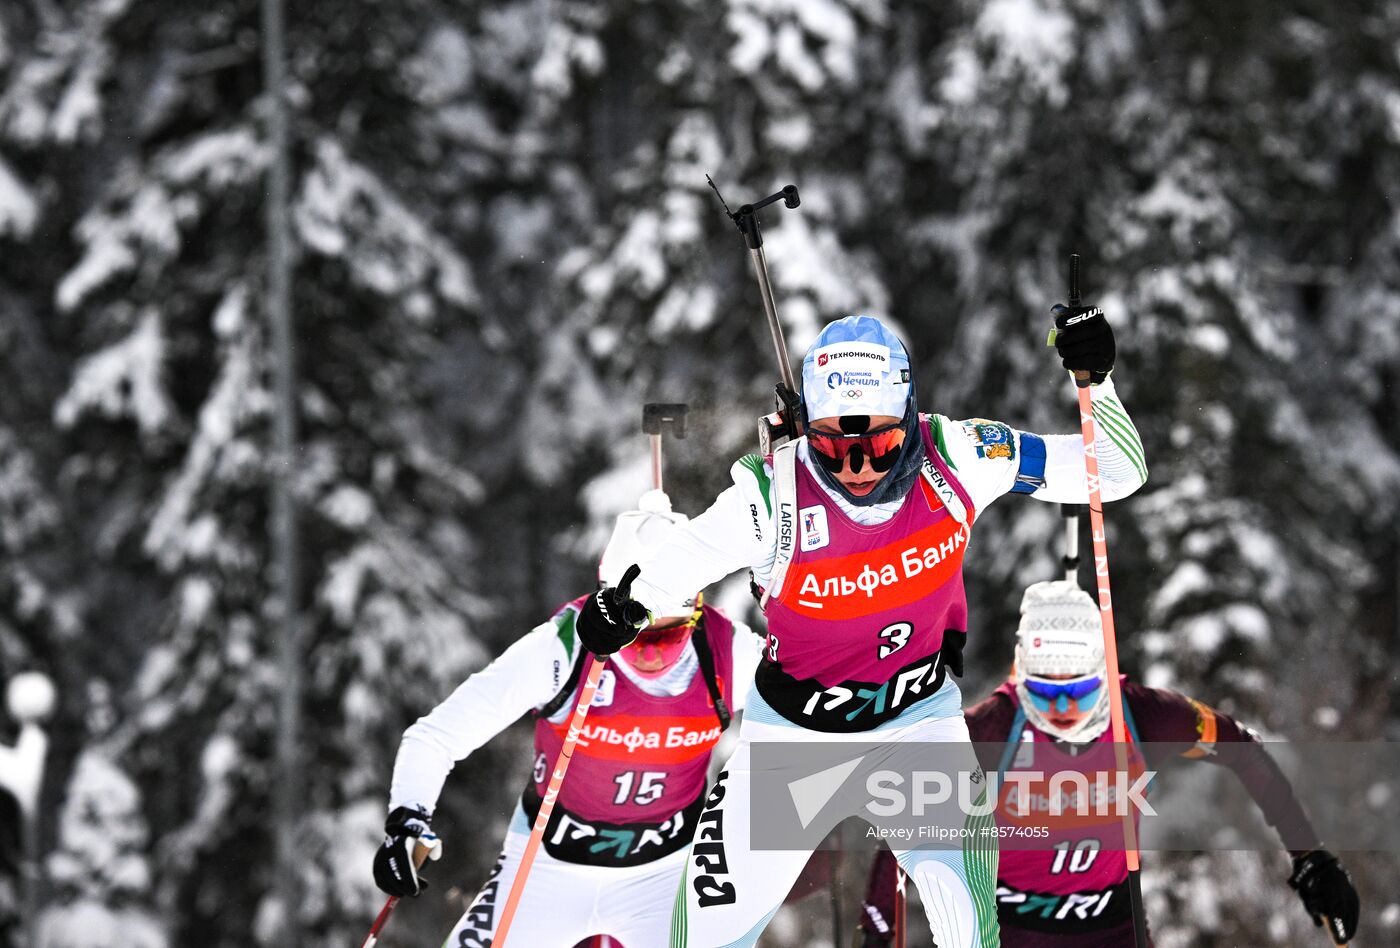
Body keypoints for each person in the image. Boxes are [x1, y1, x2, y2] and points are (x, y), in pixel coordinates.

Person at [577, 305, 1147, 947]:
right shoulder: (773, 494)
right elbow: (688, 557)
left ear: (907, 417)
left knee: (969, 926)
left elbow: (1117, 472)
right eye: (833, 445)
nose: (857, 469)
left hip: (916, 729)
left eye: (876, 442)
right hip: (791, 744)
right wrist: (622, 605)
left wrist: (1096, 378)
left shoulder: (960, 455)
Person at [856, 580, 1362, 947]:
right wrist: (879, 930)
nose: (1061, 710)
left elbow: (1242, 747)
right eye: (1045, 692)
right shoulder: (988, 731)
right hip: (1007, 932)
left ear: (1103, 673)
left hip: (1114, 930)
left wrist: (1311, 857)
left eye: (1077, 691)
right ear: (1020, 676)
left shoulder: (1144, 716)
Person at [372, 489, 763, 947]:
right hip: (546, 865)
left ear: (696, 610)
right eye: (638, 634)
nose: (653, 655)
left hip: (663, 876)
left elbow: (807, 711)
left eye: (671, 634)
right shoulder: (564, 648)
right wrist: (407, 822)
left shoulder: (728, 652)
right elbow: (436, 737)